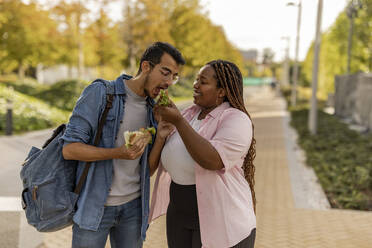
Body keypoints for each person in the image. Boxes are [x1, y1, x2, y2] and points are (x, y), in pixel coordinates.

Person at [60, 41, 185, 248]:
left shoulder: (152, 110)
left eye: (174, 76)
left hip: (134, 210)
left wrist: (161, 136)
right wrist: (118, 152)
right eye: (165, 72)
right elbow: (69, 149)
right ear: (146, 66)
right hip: (94, 206)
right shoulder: (100, 93)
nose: (169, 82)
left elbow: (148, 170)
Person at [149, 60, 257, 248]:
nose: (195, 85)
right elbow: (163, 161)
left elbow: (213, 160)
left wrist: (179, 122)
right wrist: (161, 136)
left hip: (221, 219)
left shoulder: (236, 119)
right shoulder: (190, 114)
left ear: (221, 92)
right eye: (196, 79)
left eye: (203, 81)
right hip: (179, 218)